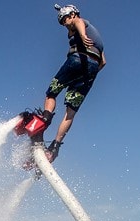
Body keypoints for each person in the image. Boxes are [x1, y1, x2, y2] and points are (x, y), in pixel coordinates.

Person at [33, 4, 106, 163]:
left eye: (65, 19)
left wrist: (82, 35)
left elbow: (79, 22)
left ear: (73, 14)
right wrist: (89, 75)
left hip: (76, 60)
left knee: (51, 93)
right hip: (91, 70)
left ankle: (44, 120)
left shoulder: (80, 22)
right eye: (62, 21)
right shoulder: (97, 40)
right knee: (70, 112)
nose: (65, 23)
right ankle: (54, 148)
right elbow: (104, 62)